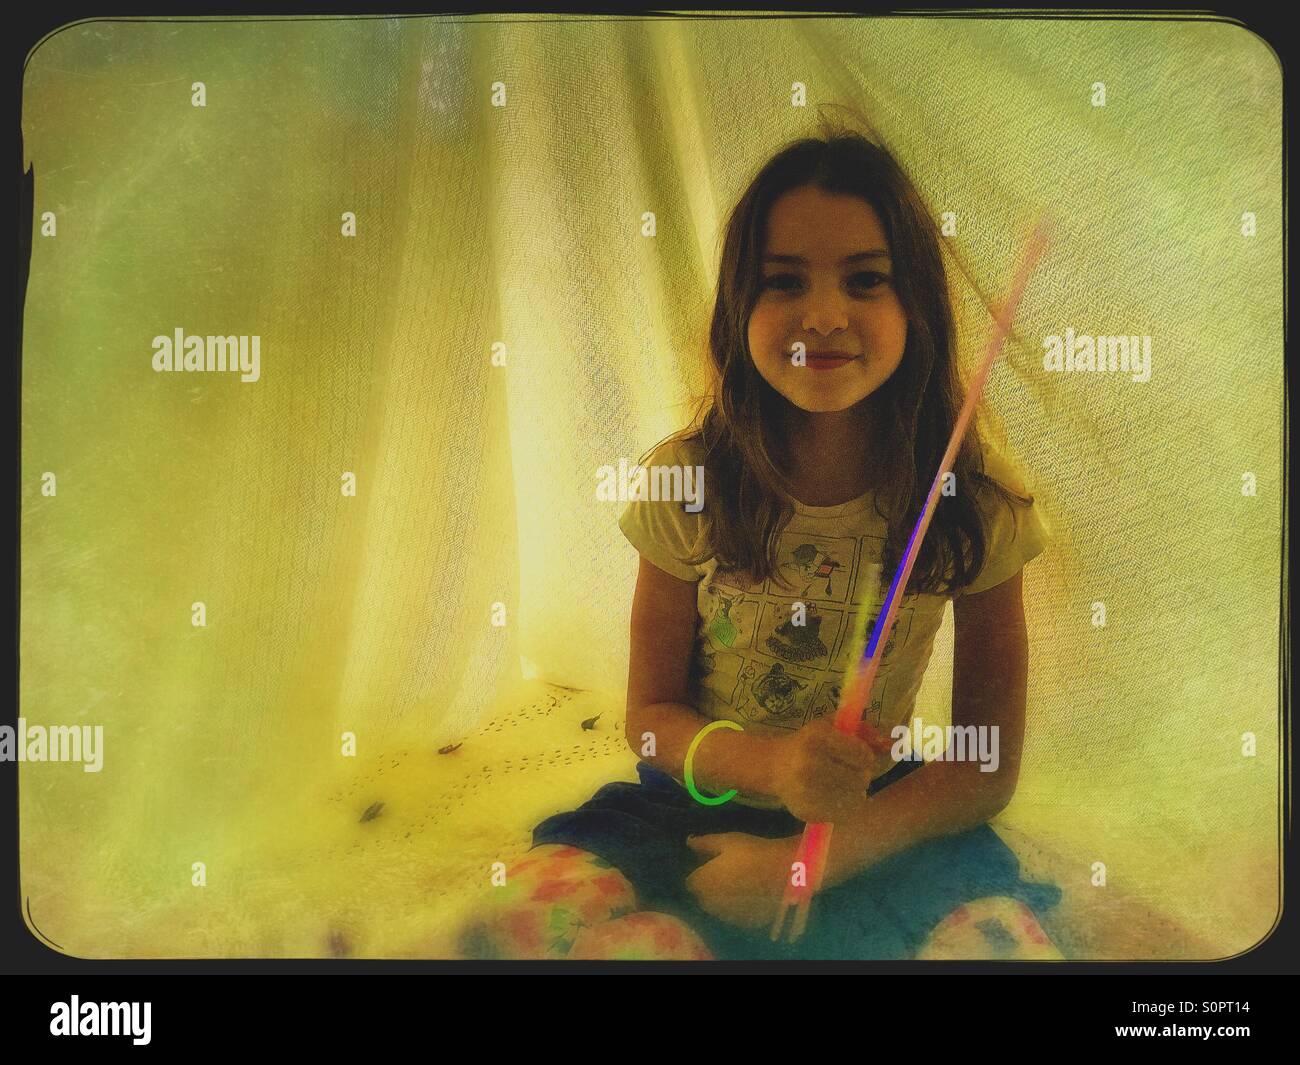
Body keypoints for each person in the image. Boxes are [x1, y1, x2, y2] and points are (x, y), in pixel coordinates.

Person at [459, 127, 1062, 961]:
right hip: (691, 797)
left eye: (867, 280)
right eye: (784, 281)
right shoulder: (687, 479)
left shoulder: (976, 499)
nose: (822, 315)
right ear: (739, 304)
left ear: (915, 304)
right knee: (519, 924)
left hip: (875, 815)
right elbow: (651, 721)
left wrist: (810, 866)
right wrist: (775, 768)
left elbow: (984, 762)